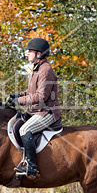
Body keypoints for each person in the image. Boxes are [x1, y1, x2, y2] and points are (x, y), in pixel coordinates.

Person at [7, 37, 61, 179]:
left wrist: (19, 101)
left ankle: (31, 167)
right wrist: (17, 95)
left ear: (39, 54)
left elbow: (41, 96)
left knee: (25, 129)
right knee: (16, 124)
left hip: (47, 112)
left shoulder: (46, 70)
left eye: (30, 51)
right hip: (36, 111)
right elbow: (31, 92)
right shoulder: (36, 69)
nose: (27, 54)